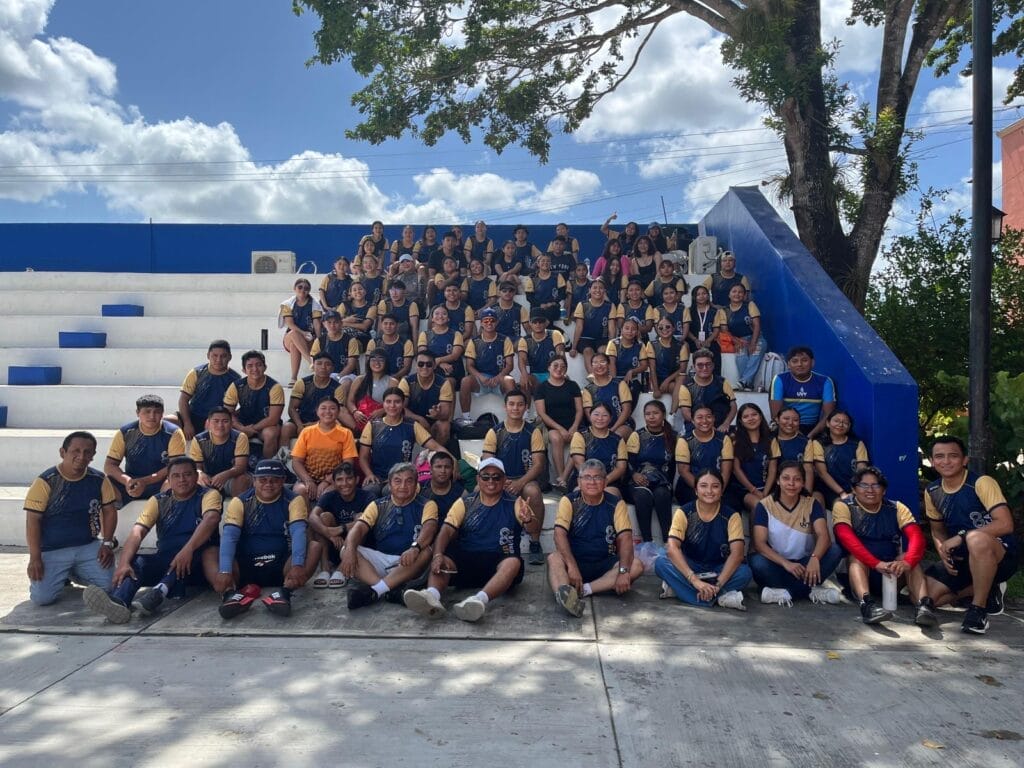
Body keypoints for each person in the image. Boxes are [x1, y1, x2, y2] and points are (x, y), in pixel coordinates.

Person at [83, 457, 222, 622]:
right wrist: (124, 563)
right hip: (167, 559)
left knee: (199, 552)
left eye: (187, 474)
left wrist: (188, 549)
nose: (182, 479)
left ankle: (158, 592)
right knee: (136, 562)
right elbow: (138, 532)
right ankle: (119, 602)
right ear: (168, 479)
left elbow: (211, 519)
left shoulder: (208, 495)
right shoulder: (158, 500)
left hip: (197, 560)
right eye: (176, 476)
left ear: (195, 476)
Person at [403, 458, 539, 622]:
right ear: (478, 479)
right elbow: (446, 530)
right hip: (467, 560)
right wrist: (437, 555)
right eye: (485, 476)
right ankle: (431, 596)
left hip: (499, 561)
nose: (491, 481)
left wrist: (528, 519)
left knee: (513, 562)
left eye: (496, 477)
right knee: (444, 557)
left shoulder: (516, 502)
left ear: (504, 480)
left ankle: (478, 601)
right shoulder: (464, 502)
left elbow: (532, 530)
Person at [922, 436, 1019, 634]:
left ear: (964, 459)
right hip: (964, 556)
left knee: (976, 539)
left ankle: (978, 611)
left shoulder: (981, 483)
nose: (946, 461)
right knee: (928, 597)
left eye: (953, 456)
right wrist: (941, 549)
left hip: (1000, 552)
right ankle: (988, 587)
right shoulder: (932, 490)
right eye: (939, 456)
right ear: (932, 461)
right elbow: (937, 529)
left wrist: (962, 536)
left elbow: (1006, 523)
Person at [215, 459, 321, 618]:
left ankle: (284, 593)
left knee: (314, 547)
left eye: (274, 480)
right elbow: (229, 537)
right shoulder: (239, 502)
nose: (268, 484)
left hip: (282, 566)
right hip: (245, 565)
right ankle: (231, 595)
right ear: (254, 481)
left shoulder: (294, 499)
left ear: (284, 481)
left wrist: (298, 564)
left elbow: (299, 532)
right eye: (263, 480)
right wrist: (224, 570)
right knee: (211, 552)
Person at [25, 431, 117, 606]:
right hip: (52, 549)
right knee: (42, 599)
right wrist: (35, 558)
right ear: (63, 452)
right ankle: (62, 573)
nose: (81, 456)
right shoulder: (46, 481)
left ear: (93, 456)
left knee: (110, 586)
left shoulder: (98, 479)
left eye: (87, 452)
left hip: (88, 545)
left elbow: (110, 511)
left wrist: (107, 543)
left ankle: (71, 572)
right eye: (75, 451)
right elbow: (32, 521)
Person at [833, 466, 933, 626]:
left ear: (884, 490)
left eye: (876, 485)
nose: (870, 490)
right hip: (859, 572)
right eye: (864, 485)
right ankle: (867, 606)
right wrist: (875, 563)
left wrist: (907, 562)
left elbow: (917, 537)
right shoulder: (843, 506)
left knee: (908, 557)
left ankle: (924, 607)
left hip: (890, 573)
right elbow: (846, 537)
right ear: (854, 489)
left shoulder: (897, 507)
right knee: (855, 558)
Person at [547, 459, 643, 617]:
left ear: (605, 482)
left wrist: (624, 571)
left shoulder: (616, 504)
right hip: (575, 561)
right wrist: (571, 567)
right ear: (579, 481)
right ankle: (566, 595)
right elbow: (559, 534)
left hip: (604, 563)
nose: (592, 482)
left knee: (636, 565)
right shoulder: (569, 501)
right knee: (554, 558)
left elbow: (625, 538)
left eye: (597, 477)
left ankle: (584, 591)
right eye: (587, 477)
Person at [341, 462, 438, 609]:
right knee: (346, 550)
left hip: (410, 561)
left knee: (427, 550)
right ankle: (387, 590)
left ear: (416, 483)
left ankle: (376, 591)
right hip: (381, 560)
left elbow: (429, 528)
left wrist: (415, 548)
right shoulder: (378, 505)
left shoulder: (427, 504)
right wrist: (349, 549)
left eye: (409, 481)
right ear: (390, 484)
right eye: (398, 481)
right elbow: (358, 529)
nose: (403, 486)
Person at [654, 468, 751, 610]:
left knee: (745, 573)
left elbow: (737, 554)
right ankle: (715, 598)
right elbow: (672, 547)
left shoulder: (732, 516)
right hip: (691, 566)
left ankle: (683, 591)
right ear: (695, 490)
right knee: (661, 563)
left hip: (718, 569)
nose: (709, 491)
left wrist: (717, 585)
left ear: (722, 490)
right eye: (703, 486)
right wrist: (695, 581)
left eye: (715, 486)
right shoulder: (684, 512)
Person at [749, 461, 843, 605]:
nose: (791, 483)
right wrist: (785, 563)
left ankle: (784, 593)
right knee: (757, 562)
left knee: (835, 551)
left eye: (797, 479)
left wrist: (815, 558)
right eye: (786, 478)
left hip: (805, 565)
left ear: (803, 482)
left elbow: (824, 536)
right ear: (777, 481)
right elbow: (760, 544)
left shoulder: (811, 504)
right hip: (778, 564)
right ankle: (809, 591)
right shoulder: (765, 505)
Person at [481, 389, 547, 564]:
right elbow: (488, 463)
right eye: (511, 404)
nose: (515, 408)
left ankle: (535, 542)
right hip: (499, 478)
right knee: (475, 491)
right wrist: (500, 480)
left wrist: (520, 483)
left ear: (526, 407)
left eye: (520, 404)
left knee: (533, 491)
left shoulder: (534, 432)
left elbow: (539, 464)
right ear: (505, 407)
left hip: (525, 478)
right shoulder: (494, 432)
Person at [359, 387, 446, 497]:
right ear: (383, 404)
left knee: (389, 491)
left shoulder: (411, 425)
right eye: (388, 402)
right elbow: (363, 456)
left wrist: (452, 459)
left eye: (397, 402)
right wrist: (369, 474)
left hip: (402, 477)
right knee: (369, 490)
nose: (392, 406)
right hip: (377, 476)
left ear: (403, 404)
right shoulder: (373, 425)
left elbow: (435, 446)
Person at [104, 394, 187, 505]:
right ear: (138, 413)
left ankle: (166, 514)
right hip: (132, 481)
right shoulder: (125, 433)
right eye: (147, 412)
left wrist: (144, 481)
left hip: (161, 481)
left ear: (162, 413)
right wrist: (128, 481)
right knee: (104, 484)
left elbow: (175, 466)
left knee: (176, 481)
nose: (152, 416)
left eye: (156, 412)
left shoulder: (173, 433)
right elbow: (109, 465)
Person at [306, 462, 372, 589]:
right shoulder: (329, 496)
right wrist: (329, 533)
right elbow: (312, 517)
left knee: (360, 518)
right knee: (324, 517)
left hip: (356, 547)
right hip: (333, 545)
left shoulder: (366, 496)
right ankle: (325, 569)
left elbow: (368, 520)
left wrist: (340, 529)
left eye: (349, 479)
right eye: (340, 480)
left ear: (357, 480)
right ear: (334, 483)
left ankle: (343, 568)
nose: (344, 483)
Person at [291, 397, 359, 502]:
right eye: (323, 408)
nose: (327, 412)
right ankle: (305, 518)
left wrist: (327, 481)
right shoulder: (306, 432)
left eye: (332, 408)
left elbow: (348, 463)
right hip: (308, 478)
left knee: (326, 494)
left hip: (336, 479)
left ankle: (321, 517)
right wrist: (308, 481)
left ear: (338, 412)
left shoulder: (346, 433)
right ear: (317, 411)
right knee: (300, 491)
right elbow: (296, 462)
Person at [626, 401, 676, 543]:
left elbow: (673, 467)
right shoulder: (638, 436)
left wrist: (669, 486)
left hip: (662, 481)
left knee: (662, 494)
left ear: (663, 415)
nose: (651, 417)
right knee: (643, 495)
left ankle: (668, 542)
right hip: (638, 480)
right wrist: (634, 474)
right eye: (648, 414)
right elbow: (628, 461)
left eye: (655, 413)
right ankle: (647, 542)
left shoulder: (672, 436)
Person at [223, 350, 285, 460]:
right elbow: (227, 412)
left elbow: (273, 418)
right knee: (216, 425)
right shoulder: (237, 386)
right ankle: (230, 464)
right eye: (250, 366)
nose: (255, 369)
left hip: (265, 425)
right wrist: (240, 427)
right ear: (244, 370)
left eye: (259, 365)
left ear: (265, 367)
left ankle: (267, 466)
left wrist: (252, 429)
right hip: (243, 422)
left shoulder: (274, 387)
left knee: (270, 433)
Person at [458, 307, 516, 422]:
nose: (489, 323)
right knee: (465, 381)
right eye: (486, 320)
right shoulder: (474, 341)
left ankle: (512, 417)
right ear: (481, 323)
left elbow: (510, 365)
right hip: (481, 380)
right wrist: (481, 377)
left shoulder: (505, 340)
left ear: (497, 322)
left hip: (499, 378)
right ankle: (466, 419)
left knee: (509, 380)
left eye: (492, 320)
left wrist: (499, 377)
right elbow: (469, 365)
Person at [176, 340, 241, 440]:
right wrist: (187, 423)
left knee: (212, 426)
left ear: (230, 357)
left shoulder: (235, 379)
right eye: (214, 355)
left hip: (218, 419)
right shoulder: (196, 373)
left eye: (223, 356)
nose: (218, 360)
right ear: (208, 356)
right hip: (193, 415)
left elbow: (243, 406)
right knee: (168, 421)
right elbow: (183, 399)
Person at [536, 356, 584, 492]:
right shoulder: (542, 388)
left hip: (573, 424)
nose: (559, 369)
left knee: (577, 439)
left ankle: (563, 478)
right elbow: (542, 414)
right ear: (548, 368)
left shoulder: (572, 385)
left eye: (563, 366)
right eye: (555, 365)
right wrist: (561, 429)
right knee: (556, 438)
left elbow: (579, 409)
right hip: (552, 426)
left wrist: (574, 426)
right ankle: (561, 477)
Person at [768, 346, 836, 438]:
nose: (799, 364)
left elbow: (829, 415)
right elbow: (776, 415)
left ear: (812, 363)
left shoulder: (825, 381)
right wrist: (798, 436)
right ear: (788, 364)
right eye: (794, 361)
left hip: (814, 429)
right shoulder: (780, 379)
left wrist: (809, 436)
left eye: (804, 360)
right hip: (786, 426)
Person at [674, 405, 734, 505]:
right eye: (699, 417)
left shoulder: (723, 439)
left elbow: (726, 471)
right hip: (691, 486)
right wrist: (702, 490)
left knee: (731, 503)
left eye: (708, 416)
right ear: (692, 420)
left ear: (714, 418)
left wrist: (718, 491)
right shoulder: (684, 440)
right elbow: (683, 471)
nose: (705, 421)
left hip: (719, 486)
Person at [282, 352, 347, 444]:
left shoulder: (337, 388)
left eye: (327, 364)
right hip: (302, 421)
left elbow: (337, 413)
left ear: (332, 368)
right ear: (313, 365)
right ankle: (283, 454)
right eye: (319, 363)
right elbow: (292, 408)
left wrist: (316, 424)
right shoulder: (302, 383)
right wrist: (300, 426)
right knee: (287, 427)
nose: (323, 367)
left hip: (326, 421)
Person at [810, 409, 869, 509]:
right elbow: (822, 473)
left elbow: (862, 471)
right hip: (826, 488)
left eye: (845, 422)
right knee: (825, 502)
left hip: (850, 487)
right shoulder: (818, 443)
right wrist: (842, 493)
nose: (840, 424)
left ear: (849, 426)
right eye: (836, 421)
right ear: (828, 423)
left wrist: (856, 490)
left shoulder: (857, 444)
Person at [728, 404, 781, 513]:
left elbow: (772, 469)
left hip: (768, 488)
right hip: (743, 489)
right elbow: (736, 469)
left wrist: (765, 492)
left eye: (754, 415)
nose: (751, 418)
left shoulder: (771, 440)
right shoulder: (734, 440)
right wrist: (754, 490)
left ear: (760, 417)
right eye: (746, 416)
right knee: (758, 506)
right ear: (741, 421)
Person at [190, 406, 251, 497]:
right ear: (209, 423)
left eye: (225, 421)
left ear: (231, 424)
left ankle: (237, 508)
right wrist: (200, 473)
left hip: (231, 477)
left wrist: (225, 475)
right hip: (209, 478)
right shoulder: (199, 439)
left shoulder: (240, 437)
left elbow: (240, 467)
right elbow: (197, 467)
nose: (220, 425)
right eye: (216, 421)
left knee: (242, 479)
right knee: (196, 479)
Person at [399, 349, 456, 448]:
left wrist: (437, 414)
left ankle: (433, 456)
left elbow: (446, 413)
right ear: (416, 365)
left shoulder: (443, 383)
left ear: (434, 366)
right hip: (411, 422)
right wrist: (419, 419)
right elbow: (400, 409)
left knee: (444, 426)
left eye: (428, 364)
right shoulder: (406, 381)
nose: (424, 367)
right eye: (421, 364)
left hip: (432, 424)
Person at [675, 348, 736, 435]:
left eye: (708, 364)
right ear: (694, 366)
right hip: (695, 427)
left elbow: (733, 406)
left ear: (713, 366)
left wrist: (726, 423)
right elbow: (686, 413)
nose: (704, 368)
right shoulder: (686, 386)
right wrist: (707, 427)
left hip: (720, 427)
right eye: (700, 365)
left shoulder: (722, 382)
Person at [570, 402, 628, 493]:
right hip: (584, 478)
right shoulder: (580, 435)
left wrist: (605, 480)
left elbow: (621, 467)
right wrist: (592, 480)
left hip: (609, 480)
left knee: (611, 494)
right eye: (596, 414)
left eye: (604, 415)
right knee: (581, 493)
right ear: (590, 416)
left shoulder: (617, 440)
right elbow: (578, 463)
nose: (600, 418)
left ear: (610, 418)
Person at [279, 277, 323, 386]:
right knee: (294, 334)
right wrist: (303, 333)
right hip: (292, 336)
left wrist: (319, 340)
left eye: (306, 288)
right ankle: (311, 361)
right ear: (295, 288)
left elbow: (317, 324)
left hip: (308, 338)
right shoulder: (288, 304)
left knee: (295, 345)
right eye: (300, 287)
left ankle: (293, 378)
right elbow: (290, 324)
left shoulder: (315, 304)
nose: (303, 290)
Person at [570, 278, 620, 373]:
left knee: (604, 351)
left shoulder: (610, 306)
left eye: (601, 288)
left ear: (604, 291)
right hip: (585, 339)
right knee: (588, 351)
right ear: (589, 290)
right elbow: (579, 327)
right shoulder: (583, 305)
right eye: (595, 288)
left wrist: (611, 345)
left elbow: (612, 328)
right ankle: (593, 379)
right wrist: (573, 347)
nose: (597, 290)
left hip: (602, 339)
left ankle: (605, 378)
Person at [581, 352, 634, 439]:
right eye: (595, 363)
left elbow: (626, 410)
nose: (599, 365)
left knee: (614, 438)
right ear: (591, 366)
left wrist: (612, 429)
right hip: (599, 427)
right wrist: (601, 429)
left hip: (621, 425)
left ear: (609, 364)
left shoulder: (619, 384)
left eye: (602, 362)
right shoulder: (588, 390)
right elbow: (590, 415)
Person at [516, 309, 566, 402]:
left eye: (541, 321)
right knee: (523, 380)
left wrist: (557, 373)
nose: (538, 324)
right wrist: (524, 374)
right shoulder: (525, 340)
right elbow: (522, 359)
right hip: (536, 376)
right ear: (530, 323)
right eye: (535, 322)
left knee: (566, 380)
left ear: (546, 322)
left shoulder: (555, 334)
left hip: (553, 372)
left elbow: (561, 356)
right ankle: (526, 413)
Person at [724, 283, 767, 390]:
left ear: (744, 295)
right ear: (729, 295)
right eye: (734, 291)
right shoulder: (724, 311)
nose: (737, 294)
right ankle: (747, 384)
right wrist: (736, 341)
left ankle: (744, 382)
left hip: (756, 338)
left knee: (755, 354)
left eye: (740, 292)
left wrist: (753, 342)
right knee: (741, 359)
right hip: (739, 340)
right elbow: (724, 330)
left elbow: (757, 325)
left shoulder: (750, 305)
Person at [344, 350, 397, 435]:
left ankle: (370, 432)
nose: (377, 363)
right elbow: (350, 401)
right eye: (373, 359)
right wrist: (355, 412)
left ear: (386, 362)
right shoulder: (359, 379)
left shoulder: (392, 382)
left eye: (381, 360)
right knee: (340, 410)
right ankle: (360, 432)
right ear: (369, 362)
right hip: (360, 417)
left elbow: (395, 403)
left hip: (381, 418)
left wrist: (382, 410)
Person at [605, 317, 651, 403]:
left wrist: (632, 371)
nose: (630, 331)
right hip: (615, 378)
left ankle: (626, 414)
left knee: (633, 391)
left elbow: (644, 366)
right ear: (621, 330)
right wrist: (616, 383)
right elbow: (611, 364)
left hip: (632, 380)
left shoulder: (640, 345)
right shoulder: (613, 343)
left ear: (637, 332)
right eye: (626, 328)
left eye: (633, 329)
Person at [683, 284, 725, 376]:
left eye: (704, 293)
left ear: (708, 295)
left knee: (715, 349)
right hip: (693, 341)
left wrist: (708, 340)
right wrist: (695, 340)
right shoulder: (688, 311)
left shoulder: (715, 311)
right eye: (698, 294)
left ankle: (715, 378)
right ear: (694, 297)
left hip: (710, 341)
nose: (701, 296)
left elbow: (716, 329)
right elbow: (686, 328)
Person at [418, 304, 465, 384]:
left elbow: (455, 355)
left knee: (448, 382)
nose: (440, 316)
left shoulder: (456, 334)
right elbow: (422, 354)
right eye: (437, 314)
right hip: (431, 368)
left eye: (444, 314)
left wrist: (438, 360)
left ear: (448, 318)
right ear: (432, 318)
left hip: (451, 370)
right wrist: (440, 364)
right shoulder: (424, 334)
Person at [775, 406, 815, 492]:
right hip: (774, 486)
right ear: (777, 420)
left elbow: (808, 469)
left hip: (797, 486)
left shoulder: (805, 442)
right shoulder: (769, 439)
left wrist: (807, 494)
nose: (790, 423)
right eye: (786, 418)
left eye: (795, 420)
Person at [310, 311, 361, 378]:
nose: (332, 325)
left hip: (347, 375)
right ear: (324, 324)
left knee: (346, 382)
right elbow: (314, 361)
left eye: (336, 322)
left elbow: (351, 365)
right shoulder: (319, 341)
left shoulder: (350, 340)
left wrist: (338, 377)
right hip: (327, 374)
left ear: (341, 323)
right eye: (329, 322)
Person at [421, 450, 465, 524]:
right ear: (430, 469)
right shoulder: (420, 489)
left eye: (447, 467)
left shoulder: (461, 492)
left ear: (452, 470)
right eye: (438, 467)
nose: (443, 471)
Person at [649, 318, 689, 400]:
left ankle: (673, 412)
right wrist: (656, 389)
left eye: (668, 327)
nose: (664, 329)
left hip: (674, 380)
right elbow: (652, 368)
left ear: (674, 328)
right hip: (657, 380)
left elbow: (682, 369)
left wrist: (667, 380)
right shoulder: (652, 345)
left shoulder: (681, 346)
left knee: (676, 387)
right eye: (660, 327)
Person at [524, 253, 566, 324]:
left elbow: (562, 294)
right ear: (538, 263)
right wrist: (541, 305)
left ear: (550, 263)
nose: (545, 263)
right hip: (537, 307)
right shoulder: (532, 278)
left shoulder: (557, 276)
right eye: (543, 261)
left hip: (553, 307)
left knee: (549, 312)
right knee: (537, 315)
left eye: (548, 261)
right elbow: (529, 297)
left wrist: (553, 303)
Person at [337, 280, 377, 352]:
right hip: (344, 334)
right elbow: (335, 322)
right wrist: (347, 320)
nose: (358, 291)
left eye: (360, 289)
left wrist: (345, 323)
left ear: (365, 291)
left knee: (351, 343)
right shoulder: (344, 305)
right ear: (351, 294)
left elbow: (364, 326)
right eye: (354, 290)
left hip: (362, 337)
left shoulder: (372, 307)